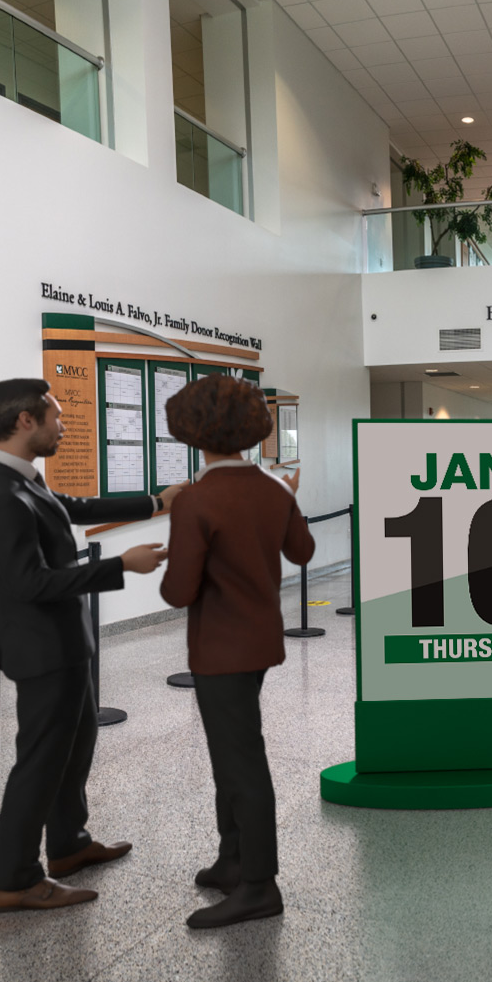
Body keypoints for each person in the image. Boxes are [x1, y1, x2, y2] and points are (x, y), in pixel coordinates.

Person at [0, 379, 179, 913]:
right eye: (56, 416)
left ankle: (68, 846)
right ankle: (15, 880)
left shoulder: (22, 480)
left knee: (74, 748)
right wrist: (118, 567)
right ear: (24, 422)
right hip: (40, 650)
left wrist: (156, 501)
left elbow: (74, 508)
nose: (63, 425)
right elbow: (28, 584)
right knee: (39, 763)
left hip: (64, 643)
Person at [159, 374, 312, 930]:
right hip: (259, 643)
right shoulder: (274, 489)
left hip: (218, 648)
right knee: (234, 753)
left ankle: (258, 884)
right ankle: (232, 858)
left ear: (194, 432)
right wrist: (288, 499)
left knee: (241, 762)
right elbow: (302, 550)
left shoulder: (197, 500)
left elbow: (177, 591)